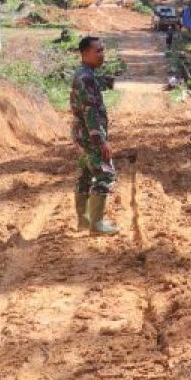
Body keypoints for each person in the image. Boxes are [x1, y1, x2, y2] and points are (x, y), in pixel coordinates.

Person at [69, 36, 119, 235]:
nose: (102, 55)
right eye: (98, 51)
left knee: (85, 175)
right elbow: (91, 113)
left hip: (81, 135)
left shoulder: (82, 74)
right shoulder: (86, 78)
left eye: (102, 50)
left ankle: (84, 220)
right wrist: (101, 141)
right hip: (90, 137)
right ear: (85, 53)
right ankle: (96, 225)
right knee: (106, 174)